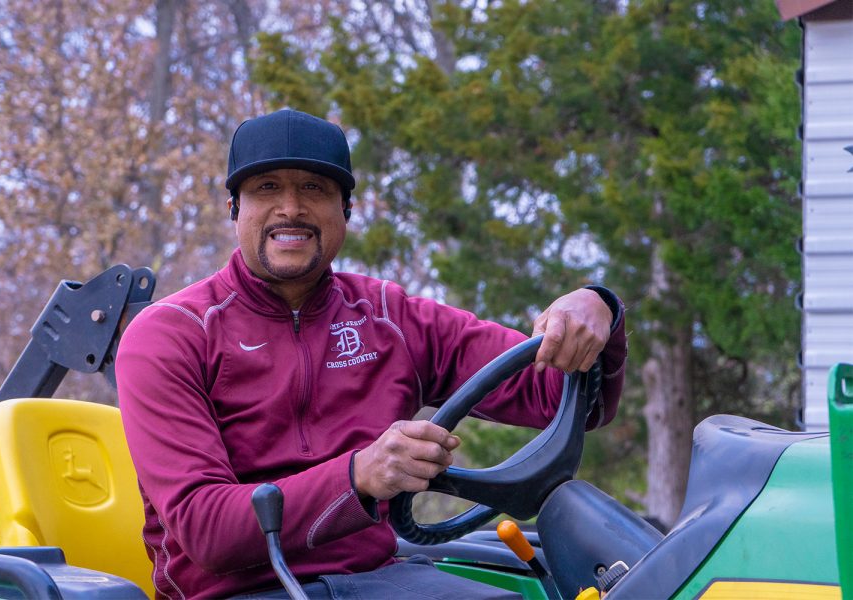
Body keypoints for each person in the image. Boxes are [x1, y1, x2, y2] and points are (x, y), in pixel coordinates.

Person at [116, 109, 628, 600]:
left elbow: (565, 400)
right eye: (266, 188)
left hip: (376, 578)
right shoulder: (169, 335)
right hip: (237, 592)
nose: (290, 208)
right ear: (235, 209)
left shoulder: (390, 317)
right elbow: (206, 531)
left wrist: (596, 309)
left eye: (314, 188)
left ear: (347, 210)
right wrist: (358, 476)